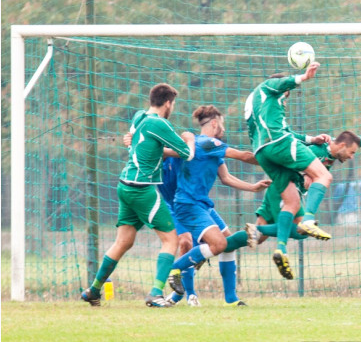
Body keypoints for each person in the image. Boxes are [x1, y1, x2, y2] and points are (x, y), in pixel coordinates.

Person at [81, 83, 196, 308]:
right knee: (171, 240)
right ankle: (155, 293)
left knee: (123, 242)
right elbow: (186, 154)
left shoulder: (139, 116)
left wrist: (157, 150)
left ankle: (93, 290)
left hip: (124, 185)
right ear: (168, 103)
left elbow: (133, 144)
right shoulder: (160, 123)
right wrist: (189, 138)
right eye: (173, 104)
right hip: (141, 188)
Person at [246, 121, 361, 254]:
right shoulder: (315, 150)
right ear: (342, 145)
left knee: (258, 238)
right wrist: (303, 175)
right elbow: (289, 159)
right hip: (283, 190)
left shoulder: (332, 148)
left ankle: (227, 244)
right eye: (351, 153)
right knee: (298, 230)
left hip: (286, 190)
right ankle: (273, 242)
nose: (352, 157)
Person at [165, 104, 270, 306]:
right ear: (214, 123)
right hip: (188, 204)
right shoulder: (208, 142)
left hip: (202, 205)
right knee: (219, 244)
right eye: (222, 125)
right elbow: (245, 156)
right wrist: (273, 159)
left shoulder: (207, 148)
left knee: (228, 243)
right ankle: (176, 269)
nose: (224, 130)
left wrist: (253, 187)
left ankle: (231, 299)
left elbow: (226, 177)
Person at [244, 63, 334, 280]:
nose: (287, 97)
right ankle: (309, 218)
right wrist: (302, 77)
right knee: (323, 175)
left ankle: (281, 249)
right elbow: (277, 83)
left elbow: (284, 131)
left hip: (263, 152)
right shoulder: (267, 88)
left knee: (293, 203)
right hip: (278, 144)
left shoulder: (257, 106)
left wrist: (312, 139)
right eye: (287, 94)